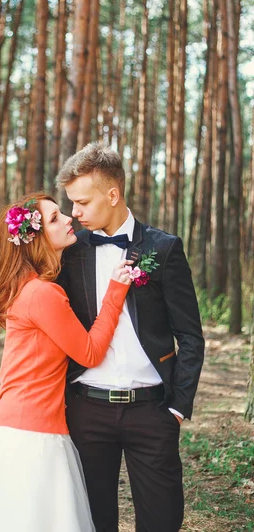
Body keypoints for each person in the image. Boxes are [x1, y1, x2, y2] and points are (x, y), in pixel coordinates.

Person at [0, 192, 132, 532]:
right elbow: (90, 354)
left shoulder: (28, 288)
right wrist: (115, 291)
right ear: (36, 240)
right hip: (30, 436)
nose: (69, 219)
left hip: (9, 428)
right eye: (54, 218)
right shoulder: (42, 294)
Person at [56, 142, 205, 532]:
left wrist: (176, 408)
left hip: (152, 411)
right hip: (86, 409)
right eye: (71, 203)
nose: (76, 212)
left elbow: (190, 335)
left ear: (113, 194)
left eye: (83, 202)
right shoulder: (70, 250)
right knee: (91, 520)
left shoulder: (163, 248)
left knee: (162, 520)